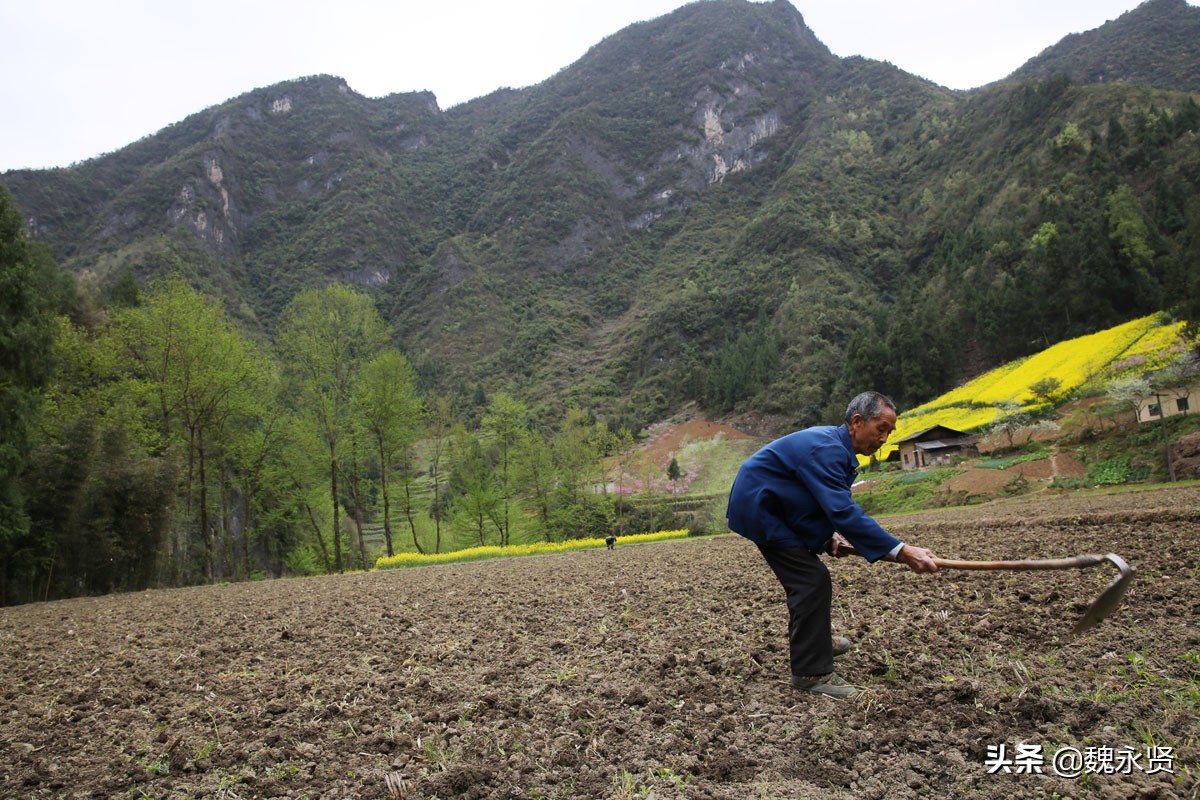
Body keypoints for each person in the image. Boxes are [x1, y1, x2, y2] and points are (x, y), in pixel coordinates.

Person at [725, 391, 939, 699]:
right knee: (811, 581)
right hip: (761, 508)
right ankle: (810, 674)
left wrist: (827, 538)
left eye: (890, 432)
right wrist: (903, 551)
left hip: (779, 504)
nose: (884, 438)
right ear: (857, 422)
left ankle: (817, 642)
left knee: (811, 579)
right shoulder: (827, 449)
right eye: (881, 428)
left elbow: (814, 499)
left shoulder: (835, 448)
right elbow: (842, 511)